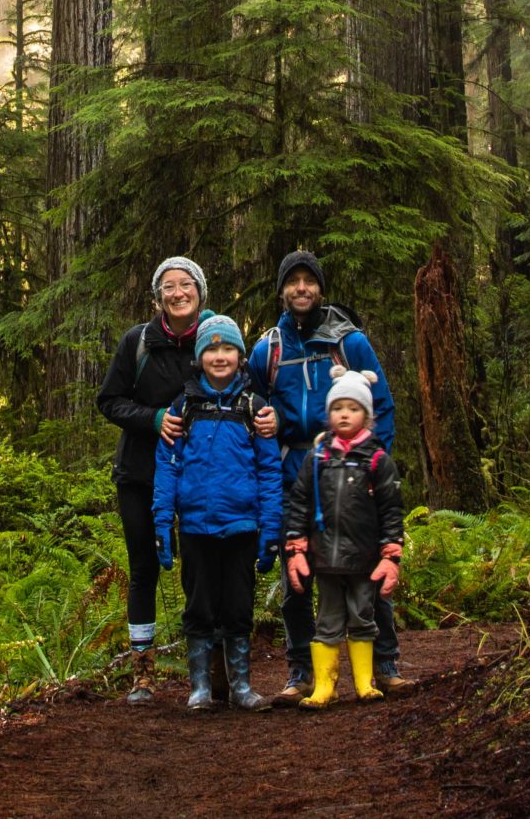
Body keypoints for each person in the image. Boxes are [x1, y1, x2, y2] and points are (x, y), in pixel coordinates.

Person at [96, 255, 277, 702]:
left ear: (199, 291)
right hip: (142, 472)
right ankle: (143, 673)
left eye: (186, 285)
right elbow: (109, 401)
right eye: (169, 286)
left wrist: (270, 418)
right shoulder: (138, 342)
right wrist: (154, 418)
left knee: (214, 567)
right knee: (145, 568)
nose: (178, 293)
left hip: (208, 480)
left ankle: (217, 677)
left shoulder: (219, 338)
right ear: (157, 296)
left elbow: (250, 396)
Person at [247, 248, 406, 698]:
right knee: (294, 572)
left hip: (354, 470)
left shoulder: (349, 341)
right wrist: (268, 418)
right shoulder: (267, 350)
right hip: (293, 468)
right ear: (281, 290)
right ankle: (301, 673)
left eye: (308, 281)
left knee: (367, 566)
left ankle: (385, 663)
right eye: (292, 281)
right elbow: (256, 407)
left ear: (320, 288)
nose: (301, 289)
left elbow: (384, 407)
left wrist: (375, 464)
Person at [153, 314, 282, 711]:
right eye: (211, 348)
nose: (220, 356)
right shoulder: (184, 407)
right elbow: (167, 465)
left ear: (241, 357)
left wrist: (270, 529)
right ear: (199, 356)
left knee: (238, 608)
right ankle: (200, 688)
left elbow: (269, 470)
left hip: (242, 526)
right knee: (199, 607)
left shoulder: (255, 408)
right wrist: (162, 520)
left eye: (228, 348)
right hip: (195, 527)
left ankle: (241, 687)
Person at [281, 369, 405, 706]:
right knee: (328, 621)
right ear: (329, 413)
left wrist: (390, 554)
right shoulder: (318, 458)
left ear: (366, 414)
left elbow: (392, 510)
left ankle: (365, 682)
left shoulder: (378, 460)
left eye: (353, 408)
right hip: (326, 560)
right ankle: (326, 685)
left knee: (364, 617)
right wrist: (296, 546)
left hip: (364, 559)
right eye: (338, 408)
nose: (345, 414)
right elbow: (300, 503)